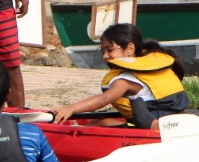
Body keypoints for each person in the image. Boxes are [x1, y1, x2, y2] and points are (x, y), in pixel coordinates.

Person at [52, 23, 190, 128]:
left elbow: (104, 99)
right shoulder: (154, 65)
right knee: (97, 120)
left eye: (110, 50)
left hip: (156, 126)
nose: (105, 56)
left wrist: (70, 108)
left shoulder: (124, 79)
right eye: (103, 52)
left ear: (130, 49)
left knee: (103, 122)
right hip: (174, 116)